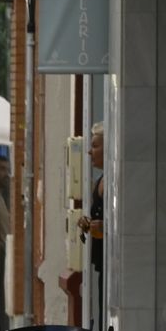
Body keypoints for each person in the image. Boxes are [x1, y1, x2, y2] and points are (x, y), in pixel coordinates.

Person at [77, 124, 104, 319]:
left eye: (95, 146)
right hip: (102, 264)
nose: (89, 152)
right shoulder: (101, 180)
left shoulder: (114, 181)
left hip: (113, 265)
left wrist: (105, 228)